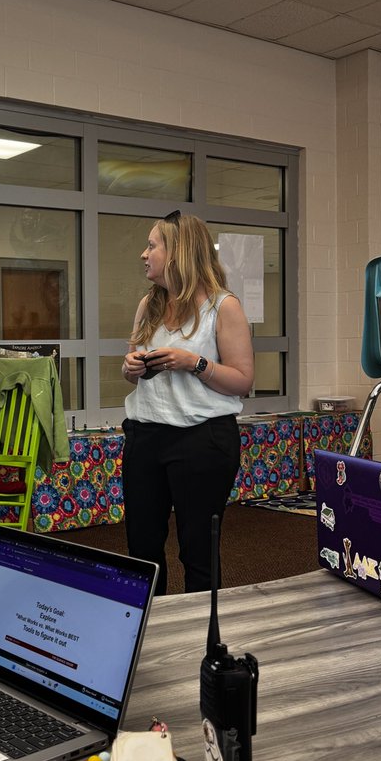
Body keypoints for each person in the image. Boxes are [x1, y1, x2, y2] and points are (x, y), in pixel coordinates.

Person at [120, 211, 254, 594]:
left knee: (197, 551)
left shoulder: (223, 307)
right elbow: (130, 371)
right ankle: (148, 636)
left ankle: (200, 643)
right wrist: (131, 366)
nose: (144, 254)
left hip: (202, 441)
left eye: (152, 246)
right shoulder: (150, 304)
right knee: (141, 549)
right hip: (146, 435)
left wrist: (193, 363)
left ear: (178, 252)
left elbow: (242, 381)